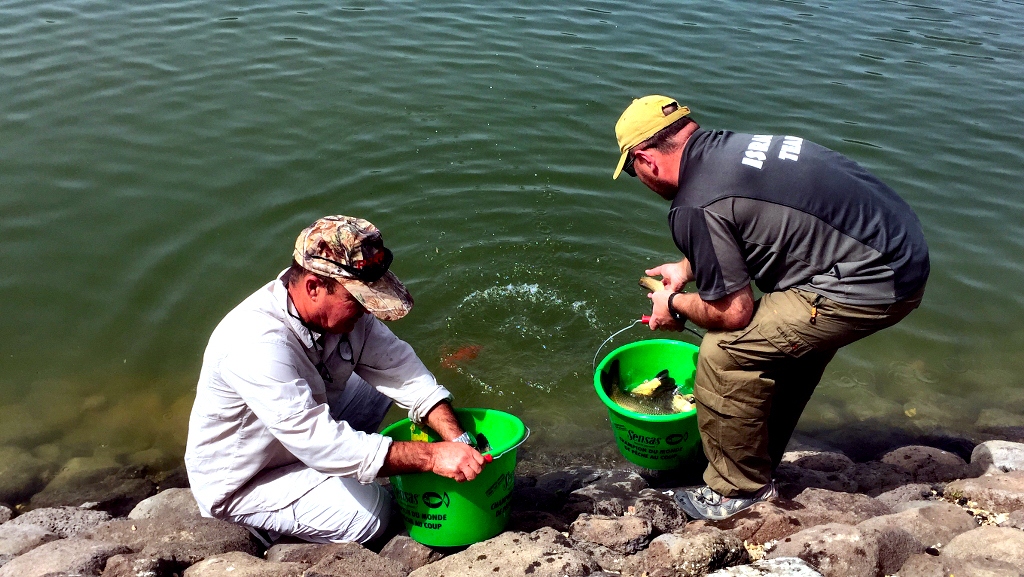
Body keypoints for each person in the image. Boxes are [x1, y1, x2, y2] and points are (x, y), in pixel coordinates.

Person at [611, 95, 929, 520]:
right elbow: (751, 219)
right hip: (896, 250)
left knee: (724, 352)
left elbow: (732, 313)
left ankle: (735, 491)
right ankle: (754, 461)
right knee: (779, 348)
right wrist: (687, 267)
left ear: (646, 159)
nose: (639, 178)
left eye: (632, 170)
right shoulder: (733, 149)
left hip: (871, 282)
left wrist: (674, 304)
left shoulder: (694, 203)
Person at [184, 215, 486, 544]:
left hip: (296, 437)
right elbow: (319, 442)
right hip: (247, 479)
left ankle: (340, 475)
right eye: (358, 300)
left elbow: (402, 369)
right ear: (313, 287)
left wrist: (457, 440)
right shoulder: (254, 343)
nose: (368, 311)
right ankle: (265, 531)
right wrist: (431, 457)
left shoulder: (344, 316)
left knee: (381, 390)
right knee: (374, 516)